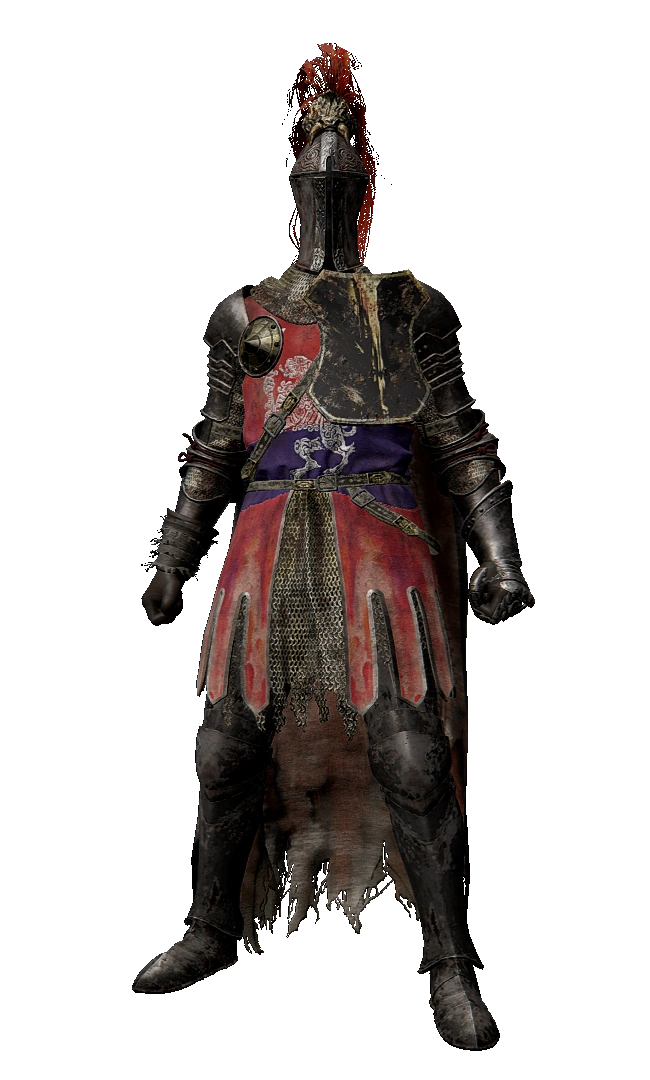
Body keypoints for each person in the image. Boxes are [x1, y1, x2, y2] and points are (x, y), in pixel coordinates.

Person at [133, 46, 534, 1050]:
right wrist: (175, 556)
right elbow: (211, 447)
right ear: (294, 188)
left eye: (340, 174)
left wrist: (500, 554)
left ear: (359, 189)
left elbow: (463, 441)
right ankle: (211, 926)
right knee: (225, 744)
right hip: (264, 539)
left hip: (378, 538)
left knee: (409, 750)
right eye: (314, 176)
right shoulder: (244, 315)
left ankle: (450, 960)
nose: (327, 189)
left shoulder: (412, 307)